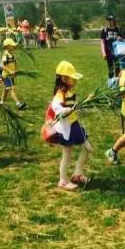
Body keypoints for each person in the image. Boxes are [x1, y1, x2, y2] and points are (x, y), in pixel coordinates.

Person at [50, 60, 92, 191]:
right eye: (73, 78)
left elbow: (75, 106)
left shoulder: (69, 92)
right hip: (66, 128)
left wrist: (87, 101)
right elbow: (55, 108)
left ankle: (77, 174)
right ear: (64, 78)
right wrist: (66, 111)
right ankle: (62, 180)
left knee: (88, 148)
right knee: (67, 154)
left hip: (75, 124)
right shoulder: (60, 94)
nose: (75, 81)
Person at [0, 38, 26, 109]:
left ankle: (2, 102)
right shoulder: (6, 55)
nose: (14, 47)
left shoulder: (12, 54)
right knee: (12, 89)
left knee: (6, 89)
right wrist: (9, 71)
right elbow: (1, 65)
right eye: (12, 45)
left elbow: (14, 64)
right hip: (6, 75)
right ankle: (18, 104)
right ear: (7, 46)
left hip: (11, 75)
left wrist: (16, 70)